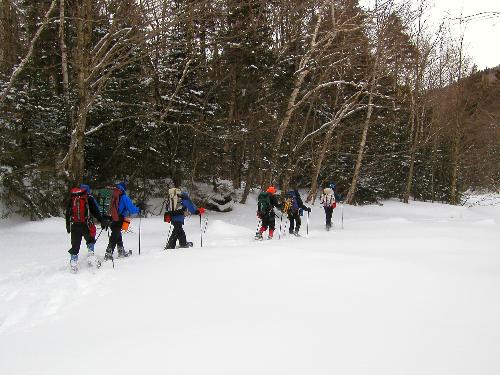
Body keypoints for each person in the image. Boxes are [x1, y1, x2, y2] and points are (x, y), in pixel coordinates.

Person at [65, 184, 108, 271]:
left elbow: (68, 213)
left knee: (75, 244)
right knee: (90, 239)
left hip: (75, 225)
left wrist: (68, 225)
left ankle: (73, 263)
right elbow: (95, 212)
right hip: (86, 224)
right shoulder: (88, 198)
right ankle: (91, 257)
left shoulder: (73, 198)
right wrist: (102, 221)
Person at [104, 181, 140, 260]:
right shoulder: (124, 197)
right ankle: (108, 253)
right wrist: (138, 209)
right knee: (115, 235)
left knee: (117, 234)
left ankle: (121, 251)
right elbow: (132, 209)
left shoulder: (114, 195)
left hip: (112, 218)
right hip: (119, 218)